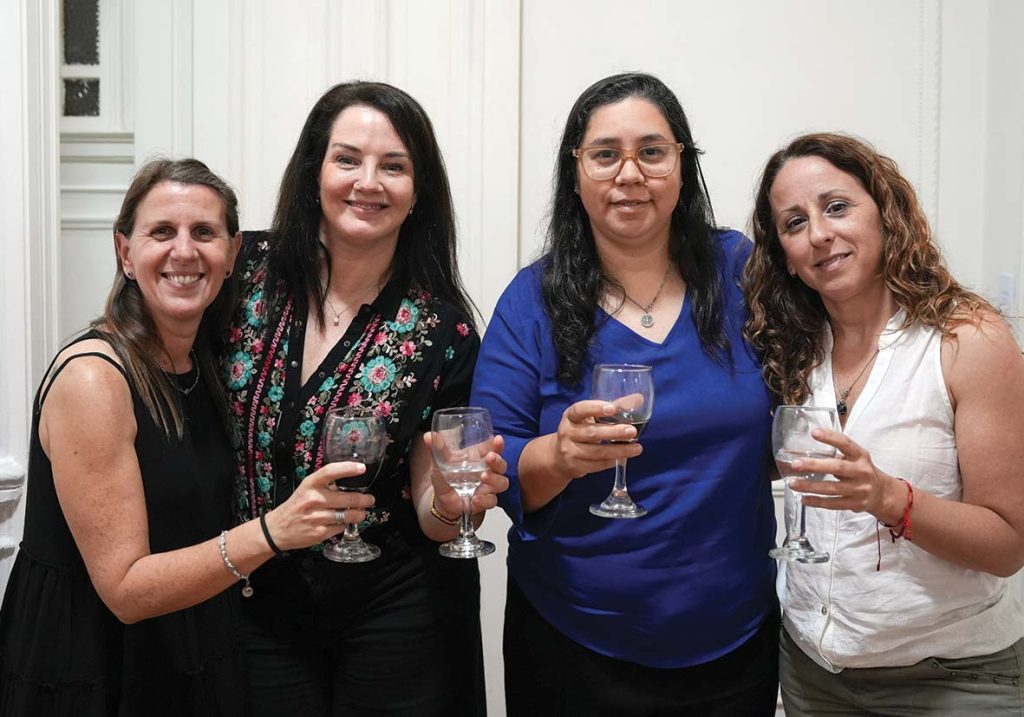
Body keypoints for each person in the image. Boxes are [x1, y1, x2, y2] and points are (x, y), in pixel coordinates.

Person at [0, 158, 367, 716]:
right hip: (91, 667)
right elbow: (124, 590)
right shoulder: (95, 379)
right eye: (161, 232)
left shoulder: (202, 364)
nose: (184, 251)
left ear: (233, 254)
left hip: (185, 649)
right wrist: (274, 531)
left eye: (204, 232)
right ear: (125, 252)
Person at [471, 72, 779, 715]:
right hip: (572, 643)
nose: (629, 173)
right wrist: (558, 455)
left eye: (653, 152)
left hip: (734, 639)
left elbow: (811, 386)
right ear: (576, 171)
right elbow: (490, 466)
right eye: (605, 154)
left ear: (683, 167)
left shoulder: (741, 272)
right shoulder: (531, 301)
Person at [223, 80, 506, 716]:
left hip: (394, 609)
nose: (368, 181)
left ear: (418, 192)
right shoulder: (244, 272)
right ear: (313, 172)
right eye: (347, 158)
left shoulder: (443, 327)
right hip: (254, 599)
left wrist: (461, 500)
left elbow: (436, 514)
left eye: (394, 166)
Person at [744, 132, 1024, 715]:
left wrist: (888, 497)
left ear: (885, 214)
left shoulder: (967, 338)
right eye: (794, 224)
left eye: (837, 207)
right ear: (786, 260)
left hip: (950, 679)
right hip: (812, 674)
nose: (819, 234)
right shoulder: (792, 351)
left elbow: (1008, 545)